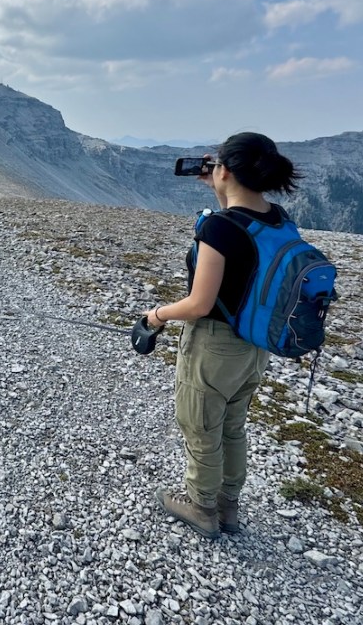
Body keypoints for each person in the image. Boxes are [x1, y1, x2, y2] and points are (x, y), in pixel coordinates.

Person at [144, 132, 301, 539]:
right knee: (233, 426)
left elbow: (199, 303)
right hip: (254, 344)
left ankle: (201, 508)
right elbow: (241, 231)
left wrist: (157, 315)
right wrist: (220, 187)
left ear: (226, 170)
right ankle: (228, 507)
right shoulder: (277, 217)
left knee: (201, 428)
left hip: (213, 346)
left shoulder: (218, 228)